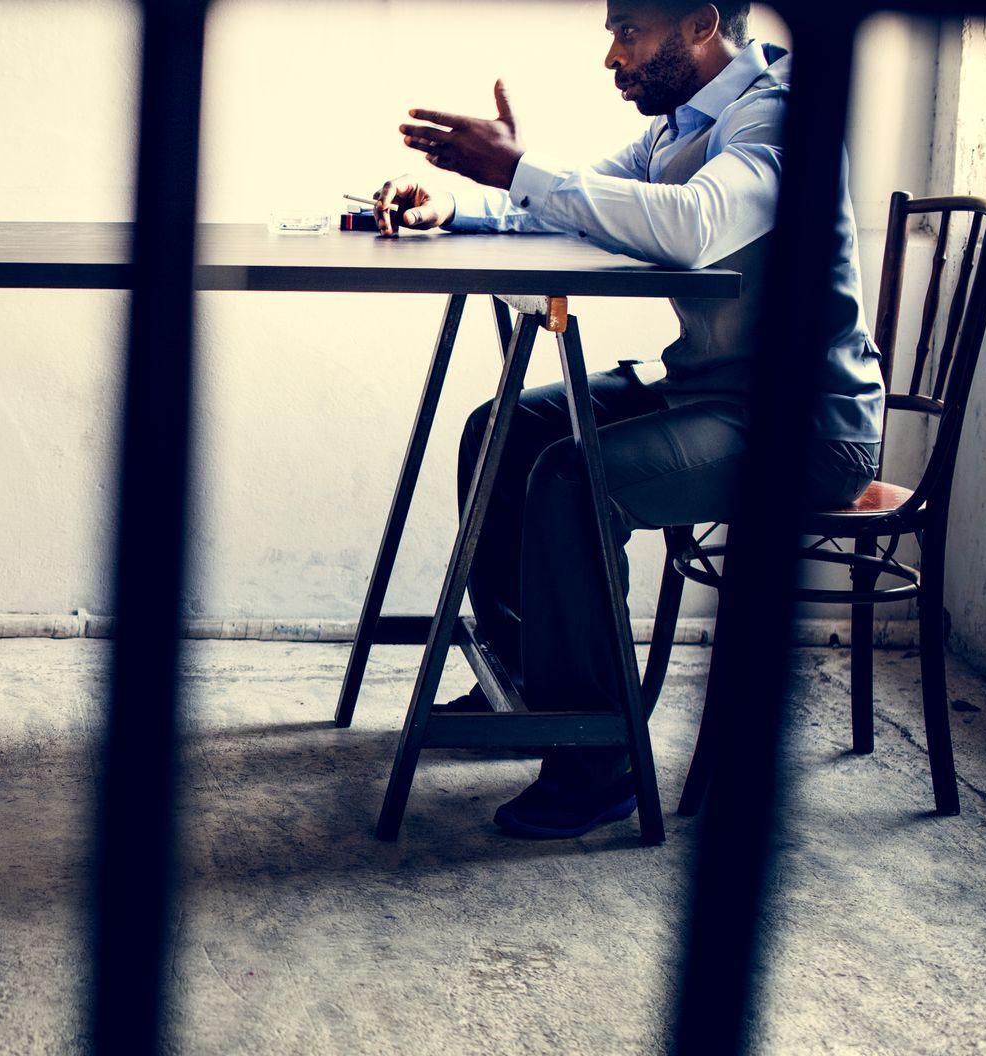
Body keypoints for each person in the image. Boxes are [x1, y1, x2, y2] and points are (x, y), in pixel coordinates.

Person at [368, 1, 885, 838]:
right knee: (504, 427)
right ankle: (530, 685)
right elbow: (585, 205)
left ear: (701, 25)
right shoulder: (678, 125)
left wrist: (522, 167)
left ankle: (595, 760)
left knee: (574, 481)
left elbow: (692, 225)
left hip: (806, 426)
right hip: (712, 392)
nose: (612, 56)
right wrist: (455, 211)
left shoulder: (783, 116)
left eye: (629, 32)